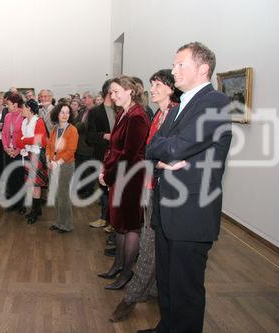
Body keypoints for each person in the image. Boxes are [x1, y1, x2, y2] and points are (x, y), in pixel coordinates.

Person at [140, 42, 232, 333]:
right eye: (174, 64)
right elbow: (153, 146)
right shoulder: (182, 105)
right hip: (169, 210)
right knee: (168, 285)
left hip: (191, 213)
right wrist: (167, 154)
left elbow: (178, 146)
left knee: (186, 292)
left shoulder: (215, 102)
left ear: (203, 69)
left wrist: (169, 153)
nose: (173, 70)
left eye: (181, 64)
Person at [110, 69, 180, 322]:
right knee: (153, 241)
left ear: (171, 88)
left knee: (148, 243)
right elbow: (149, 151)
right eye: (152, 84)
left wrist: (155, 161)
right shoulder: (158, 115)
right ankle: (151, 289)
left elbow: (161, 152)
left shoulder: (174, 114)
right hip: (150, 185)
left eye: (158, 84)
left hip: (163, 188)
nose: (153, 88)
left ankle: (131, 297)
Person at [97, 76, 151, 291]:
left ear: (130, 91)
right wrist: (106, 170)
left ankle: (127, 272)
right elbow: (115, 149)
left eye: (117, 91)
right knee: (119, 224)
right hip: (119, 175)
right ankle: (118, 265)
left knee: (130, 227)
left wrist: (109, 175)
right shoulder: (123, 113)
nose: (113, 95)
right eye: (111, 92)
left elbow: (129, 154)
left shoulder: (137, 116)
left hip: (131, 179)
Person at [86, 79, 115, 229]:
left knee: (116, 190)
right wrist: (105, 135)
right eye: (114, 90)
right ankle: (104, 218)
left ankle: (113, 221)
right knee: (103, 188)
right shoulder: (95, 112)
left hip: (118, 157)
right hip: (101, 155)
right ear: (107, 92)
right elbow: (89, 137)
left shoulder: (121, 109)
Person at [46, 102, 78, 232]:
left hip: (65, 166)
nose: (65, 115)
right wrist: (48, 158)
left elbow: (71, 150)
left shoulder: (72, 130)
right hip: (52, 165)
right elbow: (48, 146)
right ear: (57, 114)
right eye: (62, 112)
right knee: (56, 195)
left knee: (64, 195)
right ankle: (58, 222)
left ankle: (67, 225)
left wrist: (56, 162)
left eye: (67, 112)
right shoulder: (54, 129)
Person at [16, 99, 48, 224]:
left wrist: (24, 140)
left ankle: (34, 211)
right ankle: (37, 209)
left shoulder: (38, 121)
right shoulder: (24, 121)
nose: (21, 110)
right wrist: (26, 140)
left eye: (23, 107)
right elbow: (19, 140)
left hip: (36, 155)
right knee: (32, 184)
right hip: (28, 155)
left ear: (29, 108)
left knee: (36, 186)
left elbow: (40, 140)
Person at [1, 93, 25, 213]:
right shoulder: (7, 116)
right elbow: (4, 134)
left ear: (15, 104)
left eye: (8, 104)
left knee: (19, 178)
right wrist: (6, 147)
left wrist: (17, 151)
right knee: (10, 177)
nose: (6, 106)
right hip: (8, 151)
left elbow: (24, 137)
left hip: (19, 153)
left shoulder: (24, 116)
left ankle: (21, 204)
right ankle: (12, 202)